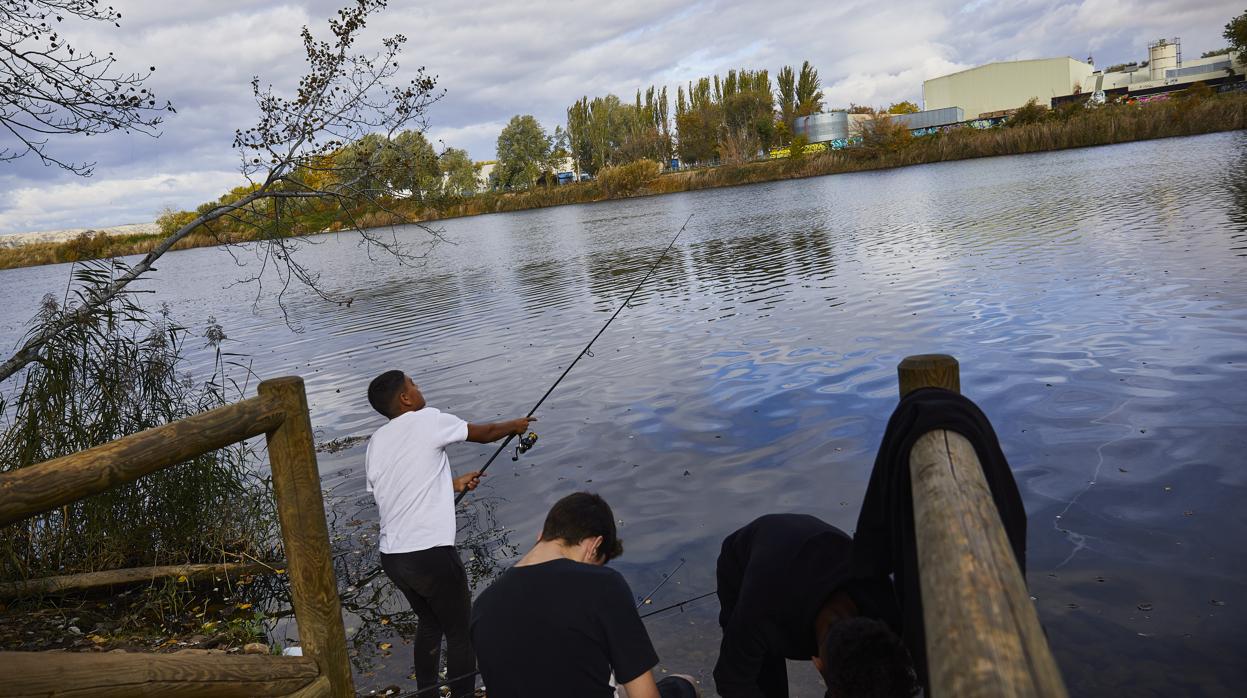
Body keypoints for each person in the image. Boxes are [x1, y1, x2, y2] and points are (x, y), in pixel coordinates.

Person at [715, 387, 1027, 698]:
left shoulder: (884, 607)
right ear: (818, 665)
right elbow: (730, 679)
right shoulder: (760, 612)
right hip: (746, 561)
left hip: (810, 555)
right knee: (760, 681)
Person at [365, 369, 533, 698]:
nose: (418, 388)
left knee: (430, 625)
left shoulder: (376, 442)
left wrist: (451, 485)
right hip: (430, 554)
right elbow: (484, 433)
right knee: (460, 632)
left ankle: (427, 693)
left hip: (394, 557)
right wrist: (514, 425)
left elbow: (396, 488)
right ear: (405, 398)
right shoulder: (427, 419)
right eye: (413, 384)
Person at [470, 492, 700, 698]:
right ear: (594, 546)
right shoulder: (603, 584)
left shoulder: (482, 605)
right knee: (685, 685)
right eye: (596, 564)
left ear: (541, 536)